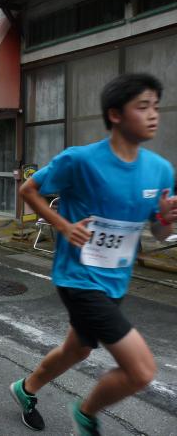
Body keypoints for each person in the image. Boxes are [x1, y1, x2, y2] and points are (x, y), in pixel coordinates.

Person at [10, 73, 176, 435]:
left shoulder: (161, 170)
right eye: (143, 107)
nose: (153, 115)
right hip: (78, 277)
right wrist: (63, 226)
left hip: (116, 281)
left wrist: (164, 221)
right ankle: (86, 415)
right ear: (115, 114)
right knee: (142, 370)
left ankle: (25, 389)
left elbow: (161, 232)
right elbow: (29, 189)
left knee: (78, 350)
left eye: (156, 107)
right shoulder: (80, 160)